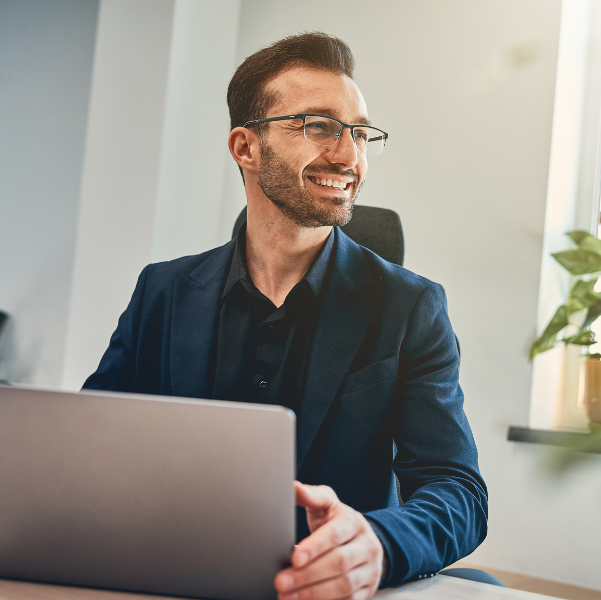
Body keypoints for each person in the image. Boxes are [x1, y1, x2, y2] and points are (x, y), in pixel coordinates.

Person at [83, 32, 487, 600]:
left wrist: (378, 542)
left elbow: (458, 490)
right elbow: (89, 443)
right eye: (319, 126)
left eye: (360, 134)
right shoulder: (163, 291)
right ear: (246, 148)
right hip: (175, 577)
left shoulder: (410, 307)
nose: (349, 156)